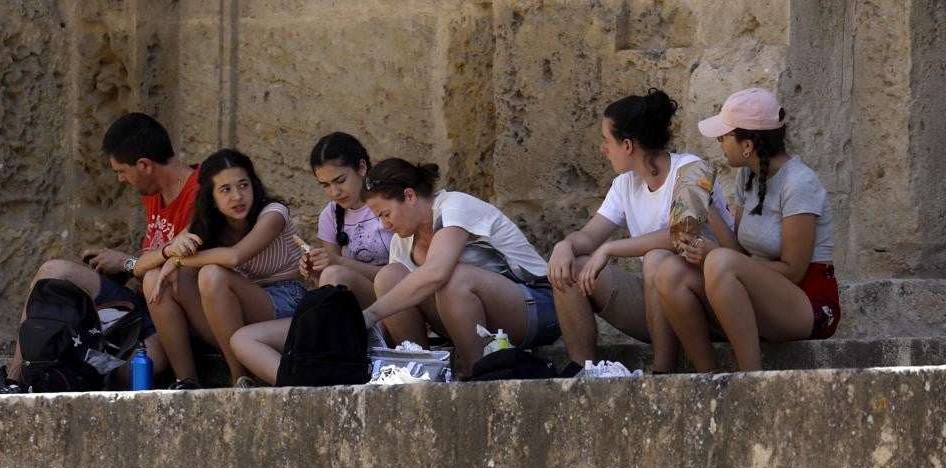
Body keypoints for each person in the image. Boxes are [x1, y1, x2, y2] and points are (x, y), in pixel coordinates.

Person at [547, 89, 733, 375]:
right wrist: (564, 246)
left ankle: (661, 374)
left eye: (607, 141)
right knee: (571, 265)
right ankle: (582, 372)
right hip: (658, 304)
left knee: (658, 258)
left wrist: (610, 249)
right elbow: (589, 236)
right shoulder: (624, 184)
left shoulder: (692, 168)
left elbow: (680, 235)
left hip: (705, 304)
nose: (602, 148)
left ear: (628, 146)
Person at [655, 87, 839, 371]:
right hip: (757, 292)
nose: (719, 140)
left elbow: (793, 270)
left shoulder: (800, 183)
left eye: (725, 135)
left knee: (718, 261)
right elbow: (737, 252)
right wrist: (707, 204)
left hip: (806, 302)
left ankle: (750, 380)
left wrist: (719, 257)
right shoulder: (747, 175)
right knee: (669, 272)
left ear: (748, 145)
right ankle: (708, 379)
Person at [7, 112, 198, 385]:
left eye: (122, 172)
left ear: (144, 165)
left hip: (169, 315)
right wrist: (121, 267)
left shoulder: (200, 192)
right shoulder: (153, 192)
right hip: (138, 303)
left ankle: (76, 366)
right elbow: (153, 254)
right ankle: (17, 379)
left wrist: (127, 263)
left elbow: (183, 265)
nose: (121, 180)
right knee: (53, 271)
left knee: (139, 371)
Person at [359, 158, 559, 379]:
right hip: (467, 322)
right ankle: (419, 372)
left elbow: (437, 272)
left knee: (453, 277)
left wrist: (371, 313)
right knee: (389, 277)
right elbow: (399, 298)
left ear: (409, 195)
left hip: (537, 306)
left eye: (386, 214)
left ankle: (474, 373)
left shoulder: (454, 206)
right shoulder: (402, 240)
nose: (384, 225)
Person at [230, 132, 394, 385]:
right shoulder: (331, 215)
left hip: (391, 308)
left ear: (362, 167)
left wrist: (336, 263)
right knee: (242, 339)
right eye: (326, 185)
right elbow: (331, 287)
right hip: (347, 319)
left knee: (335, 275)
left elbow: (401, 275)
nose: (335, 191)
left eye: (340, 180)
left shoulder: (387, 202)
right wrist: (314, 269)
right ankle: (297, 386)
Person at [144, 148, 305, 388]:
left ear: (254, 186)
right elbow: (139, 267)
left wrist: (177, 260)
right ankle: (187, 382)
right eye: (225, 190)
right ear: (212, 199)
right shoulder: (209, 224)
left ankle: (239, 377)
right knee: (154, 279)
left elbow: (234, 257)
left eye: (243, 185)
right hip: (233, 315)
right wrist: (170, 252)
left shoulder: (273, 213)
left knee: (211, 274)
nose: (237, 197)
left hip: (285, 303)